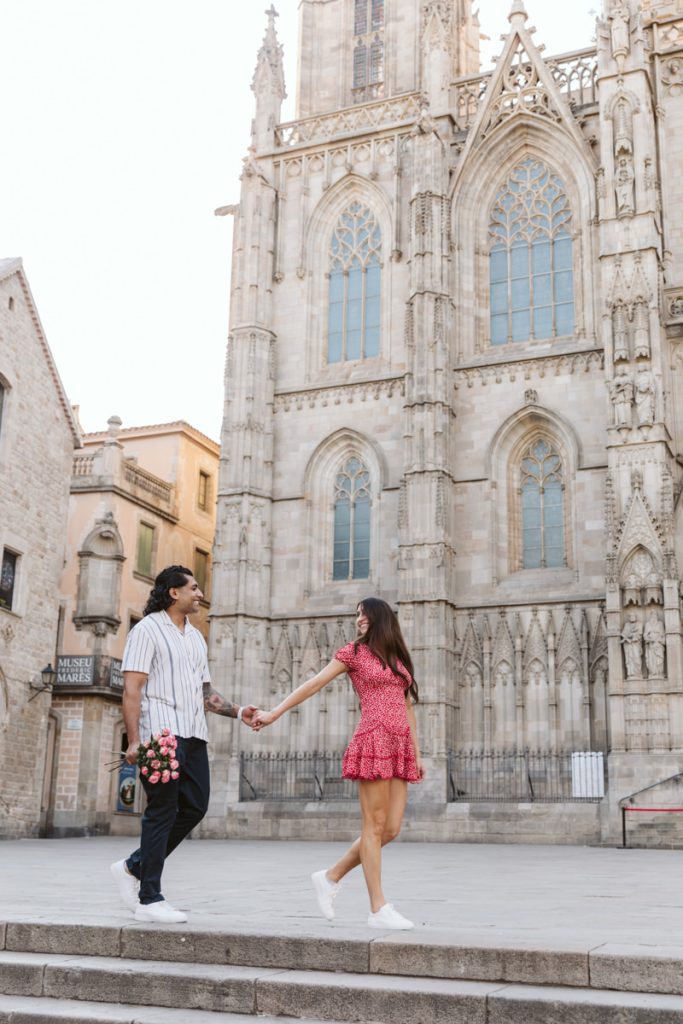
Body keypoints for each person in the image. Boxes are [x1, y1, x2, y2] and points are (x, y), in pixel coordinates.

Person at [252, 597, 423, 930]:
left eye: (364, 615)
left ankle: (330, 877)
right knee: (373, 826)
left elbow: (408, 707)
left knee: (390, 829)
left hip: (399, 745)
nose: (359, 620)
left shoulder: (399, 659)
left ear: (380, 618)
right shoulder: (353, 654)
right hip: (373, 739)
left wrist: (416, 752)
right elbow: (314, 683)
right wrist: (274, 712)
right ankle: (378, 908)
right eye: (357, 615)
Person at [110, 565, 257, 924]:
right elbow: (132, 689)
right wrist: (133, 740)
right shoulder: (146, 630)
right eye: (193, 588)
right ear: (173, 592)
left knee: (195, 807)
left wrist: (240, 712)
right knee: (162, 810)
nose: (200, 593)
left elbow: (205, 694)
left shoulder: (196, 637)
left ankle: (133, 866)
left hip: (194, 733)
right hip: (160, 733)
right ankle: (149, 898)